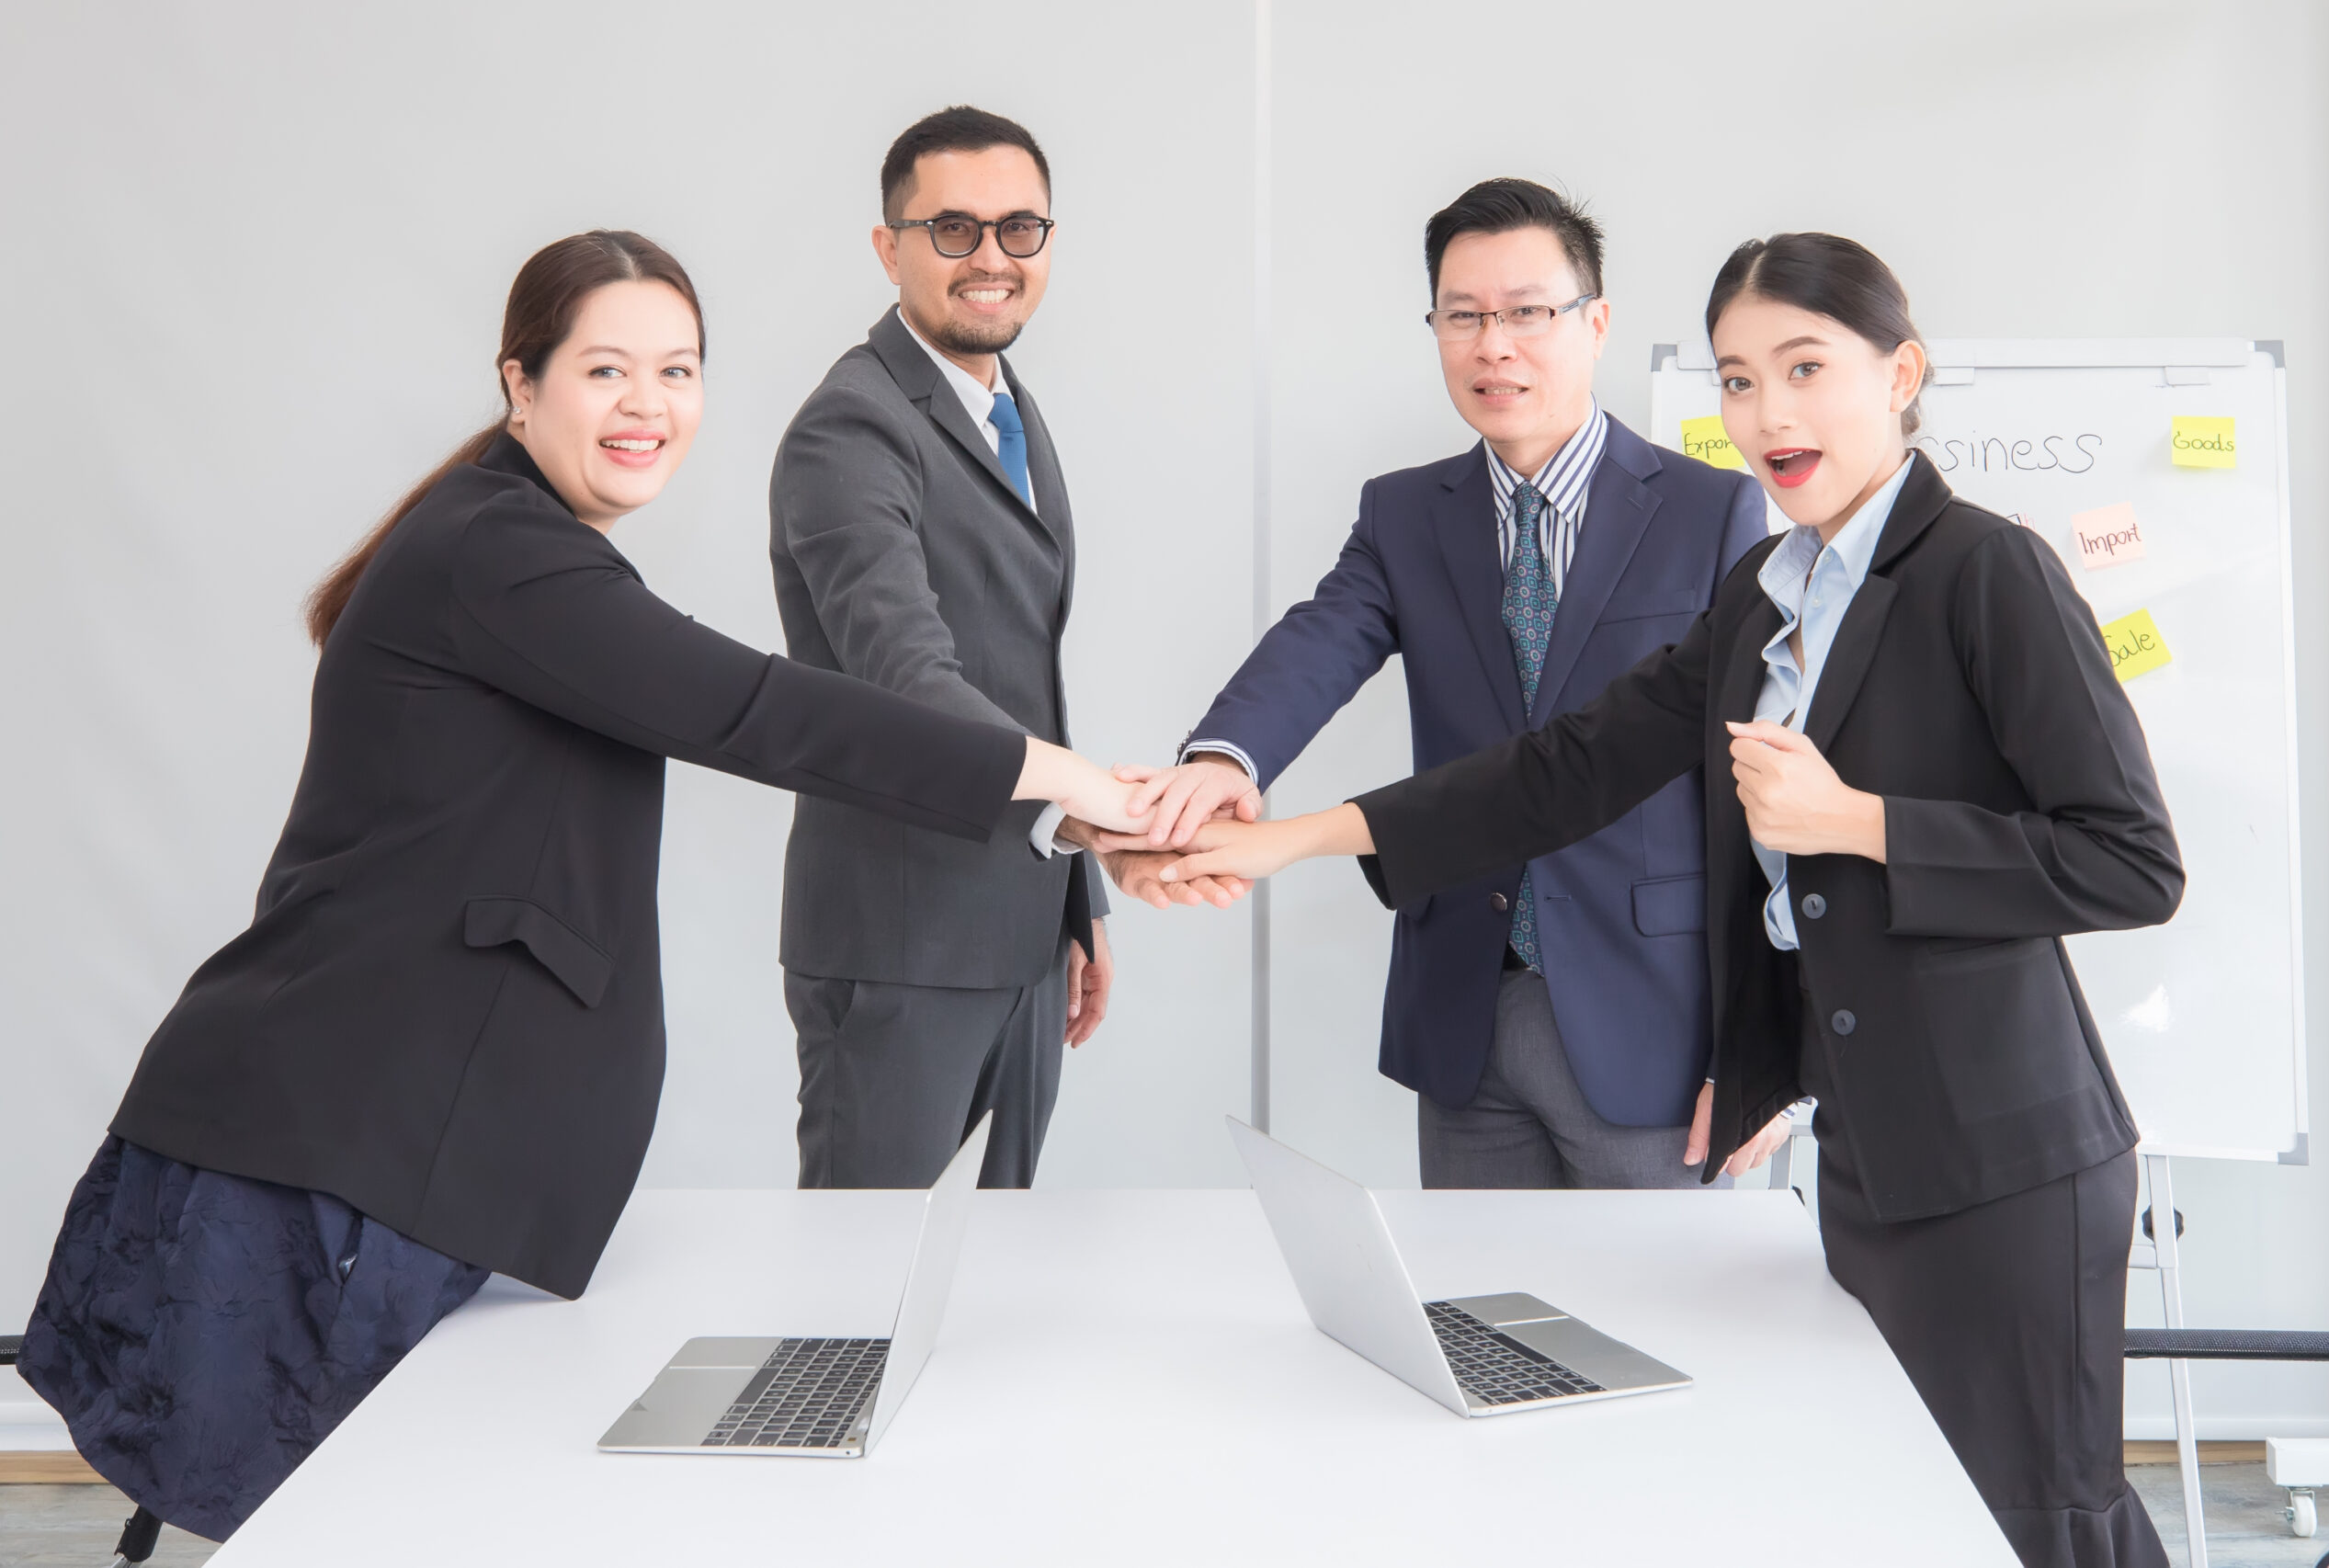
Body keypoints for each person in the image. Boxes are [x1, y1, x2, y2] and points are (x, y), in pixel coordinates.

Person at [18, 230, 1140, 1543]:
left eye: (678, 370)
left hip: (367, 1142)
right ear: (521, 385)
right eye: (606, 369)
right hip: (328, 1154)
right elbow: (755, 710)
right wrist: (1072, 781)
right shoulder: (501, 554)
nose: (648, 406)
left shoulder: (513, 541)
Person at [1128, 233, 2181, 1567]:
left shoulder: (1986, 570)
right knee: (1904, 1507)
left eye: (1805, 368)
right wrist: (1288, 841)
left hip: (2004, 1153)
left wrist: (1852, 821)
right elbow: (1563, 772)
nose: (1769, 416)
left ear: (1901, 371)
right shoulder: (1766, 597)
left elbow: (2129, 858)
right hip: (1869, 1145)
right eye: (1740, 382)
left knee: (2037, 1515)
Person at [1096, 179, 1772, 1190]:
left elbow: (1759, 794)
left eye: (1526, 312)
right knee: (1487, 1331)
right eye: (1463, 316)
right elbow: (1320, 641)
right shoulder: (1406, 513)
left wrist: (1761, 1045)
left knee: (1667, 1335)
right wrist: (1216, 761)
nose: (1493, 344)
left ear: (1595, 323)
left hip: (1658, 1018)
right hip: (1464, 1003)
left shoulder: (1714, 512)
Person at [769, 106, 1228, 1190]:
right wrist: (1095, 811)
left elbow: (1021, 675)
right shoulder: (852, 425)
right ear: (888, 247)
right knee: (863, 1293)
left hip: (1020, 931)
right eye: (954, 229)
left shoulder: (1002, 404)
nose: (992, 259)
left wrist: (1076, 898)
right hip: (902, 944)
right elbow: (909, 678)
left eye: (1020, 228)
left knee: (993, 1280)